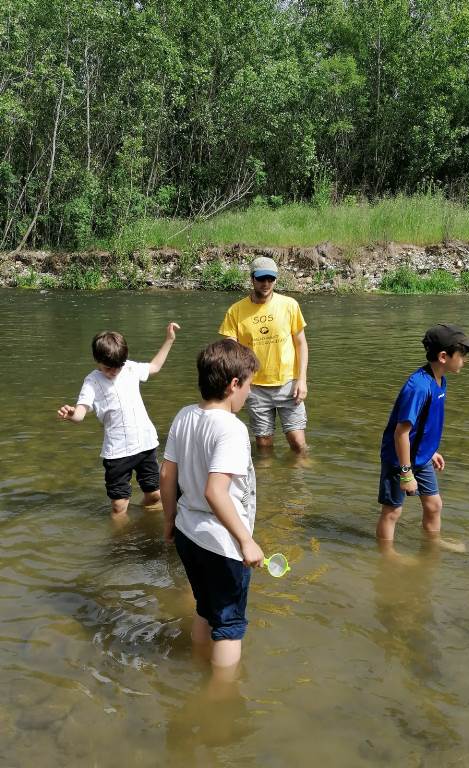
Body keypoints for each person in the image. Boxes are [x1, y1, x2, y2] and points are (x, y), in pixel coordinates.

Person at [160, 339, 264, 673]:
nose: (249, 393)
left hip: (188, 533)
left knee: (205, 608)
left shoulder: (184, 415)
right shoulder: (232, 429)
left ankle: (196, 666)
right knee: (230, 625)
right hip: (221, 543)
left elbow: (167, 475)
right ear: (234, 384)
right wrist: (246, 541)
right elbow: (215, 492)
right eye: (249, 385)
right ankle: (220, 695)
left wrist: (169, 520)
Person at [376, 323, 469, 550]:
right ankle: (387, 555)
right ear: (444, 356)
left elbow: (423, 424)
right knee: (393, 511)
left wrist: (430, 450)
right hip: (399, 459)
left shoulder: (440, 380)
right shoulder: (418, 387)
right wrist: (406, 473)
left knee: (434, 505)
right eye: (463, 354)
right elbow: (401, 432)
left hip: (421, 456)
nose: (466, 359)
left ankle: (433, 545)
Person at [57, 322, 180, 518]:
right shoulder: (92, 381)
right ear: (97, 360)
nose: (114, 371)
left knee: (155, 495)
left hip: (145, 444)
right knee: (119, 506)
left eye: (118, 366)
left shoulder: (129, 368)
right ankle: (122, 534)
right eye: (108, 368)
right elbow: (80, 413)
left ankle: (144, 523)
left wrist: (169, 340)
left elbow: (155, 367)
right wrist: (72, 414)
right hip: (117, 451)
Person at [218, 256, 309, 454]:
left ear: (275, 279)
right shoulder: (236, 311)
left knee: (298, 444)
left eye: (270, 279)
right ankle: (267, 474)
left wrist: (302, 380)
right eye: (261, 279)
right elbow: (230, 351)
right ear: (252, 279)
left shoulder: (290, 305)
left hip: (288, 384)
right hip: (254, 387)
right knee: (264, 446)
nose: (266, 283)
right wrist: (234, 386)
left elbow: (301, 344)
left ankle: (301, 473)